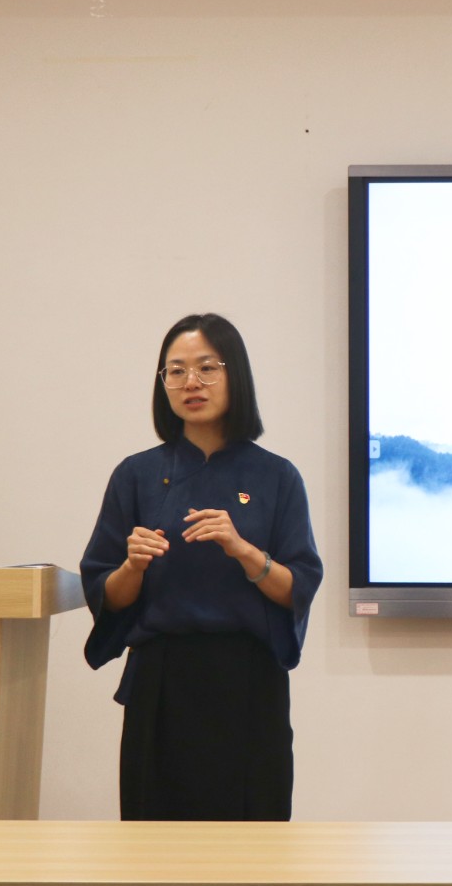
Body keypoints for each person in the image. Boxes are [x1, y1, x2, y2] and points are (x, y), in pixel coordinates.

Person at [80, 313, 322, 821]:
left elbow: (297, 587)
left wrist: (243, 550)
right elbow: (106, 594)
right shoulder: (136, 475)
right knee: (154, 845)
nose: (191, 382)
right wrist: (132, 566)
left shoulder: (277, 476)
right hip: (161, 683)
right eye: (176, 371)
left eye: (207, 368)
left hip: (249, 684)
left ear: (236, 376)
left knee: (253, 845)